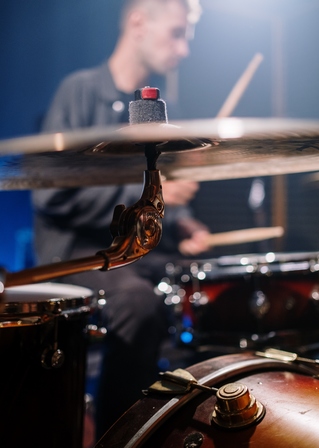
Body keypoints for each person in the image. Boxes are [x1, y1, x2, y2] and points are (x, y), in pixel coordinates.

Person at [32, 0, 210, 441]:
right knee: (139, 305)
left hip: (140, 257)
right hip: (84, 256)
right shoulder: (79, 91)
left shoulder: (156, 108)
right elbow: (51, 191)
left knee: (207, 291)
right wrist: (145, 193)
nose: (185, 49)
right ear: (137, 22)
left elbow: (156, 183)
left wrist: (184, 221)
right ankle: (122, 434)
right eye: (177, 32)